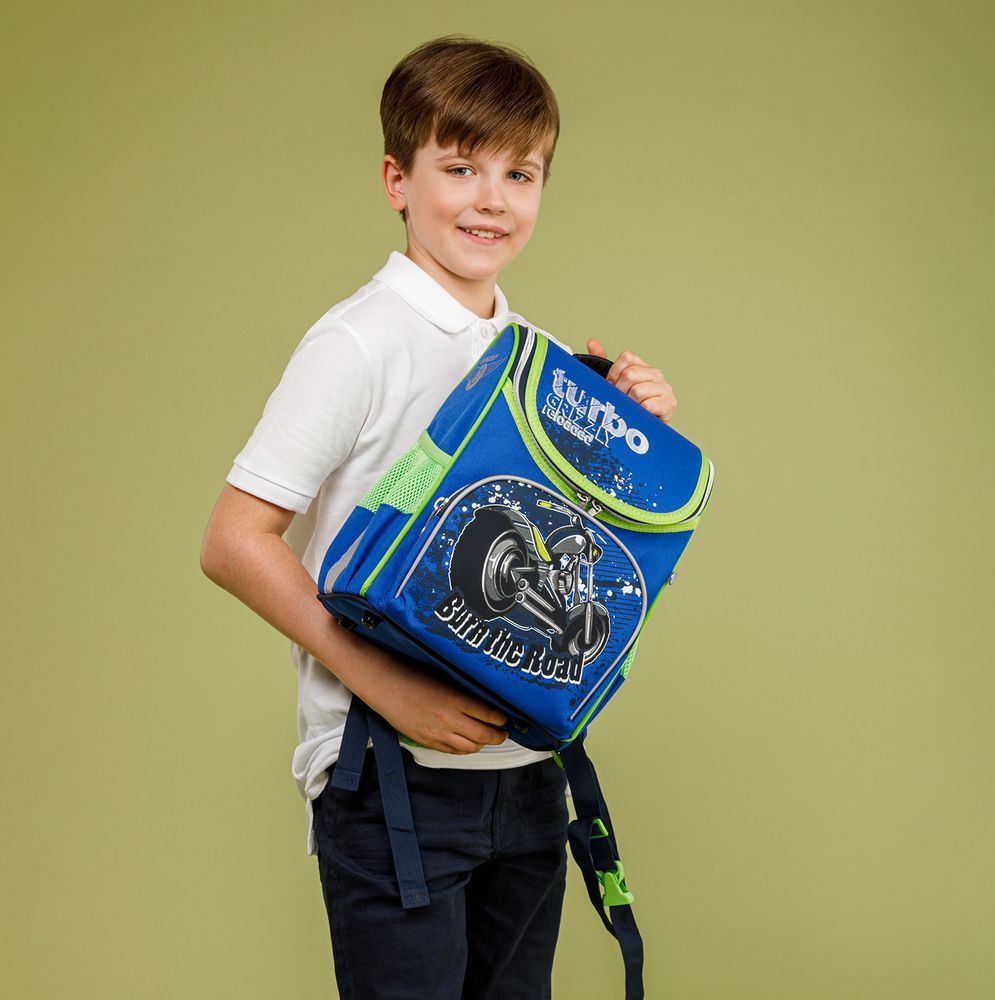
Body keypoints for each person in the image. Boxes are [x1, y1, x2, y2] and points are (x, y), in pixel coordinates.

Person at [200, 35, 677, 1000]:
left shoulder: (536, 354)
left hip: (527, 770)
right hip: (391, 775)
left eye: (519, 173)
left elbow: (569, 548)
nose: (491, 198)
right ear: (398, 180)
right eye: (460, 168)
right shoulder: (358, 342)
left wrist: (636, 429)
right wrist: (385, 685)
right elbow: (232, 541)